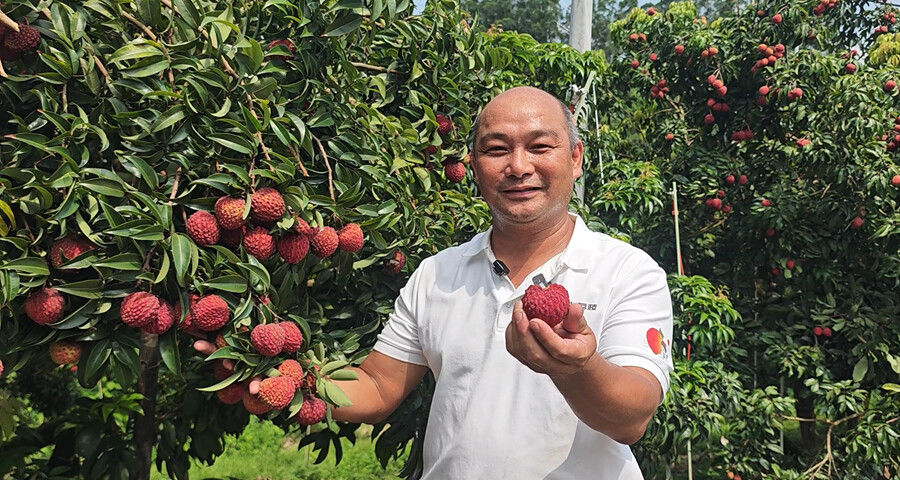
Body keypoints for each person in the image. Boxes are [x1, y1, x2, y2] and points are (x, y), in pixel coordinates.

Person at [329, 86, 674, 479]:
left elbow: (631, 418)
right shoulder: (436, 273)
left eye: (540, 147)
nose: (518, 166)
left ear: (575, 159)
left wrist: (575, 369)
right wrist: (293, 378)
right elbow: (375, 387)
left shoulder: (628, 272)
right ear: (474, 166)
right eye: (496, 150)